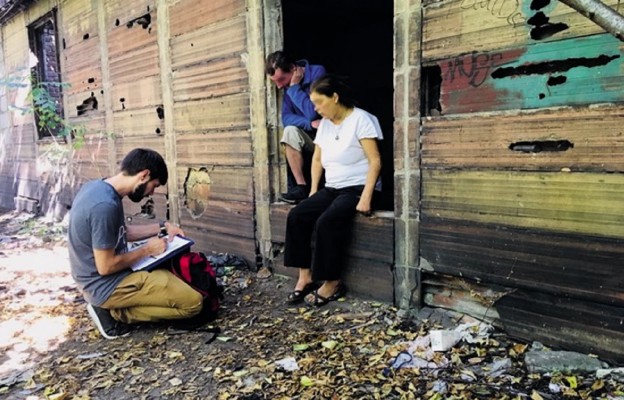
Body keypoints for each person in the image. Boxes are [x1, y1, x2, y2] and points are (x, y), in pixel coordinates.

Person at [68, 148, 203, 339]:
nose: (151, 193)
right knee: (193, 303)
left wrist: (163, 227)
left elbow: (124, 233)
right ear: (144, 175)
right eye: (153, 185)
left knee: (173, 279)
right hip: (105, 284)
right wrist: (147, 250)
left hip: (99, 278)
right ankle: (115, 313)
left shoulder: (99, 188)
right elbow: (105, 267)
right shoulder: (104, 206)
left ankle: (116, 306)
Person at [283, 74, 383, 307]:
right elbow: (317, 160)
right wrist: (313, 192)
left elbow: (375, 160)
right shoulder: (326, 125)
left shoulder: (362, 119)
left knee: (327, 222)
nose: (316, 109)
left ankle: (332, 282)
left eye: (319, 102)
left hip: (357, 188)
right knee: (297, 215)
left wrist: (367, 196)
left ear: (335, 97)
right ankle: (305, 277)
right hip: (332, 187)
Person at [265, 50, 326, 203]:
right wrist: (308, 124)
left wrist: (293, 88)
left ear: (293, 69)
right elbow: (286, 118)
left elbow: (313, 111)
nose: (279, 86)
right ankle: (301, 187)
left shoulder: (317, 72)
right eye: (275, 82)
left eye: (281, 80)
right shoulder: (286, 87)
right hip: (312, 134)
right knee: (289, 131)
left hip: (328, 136)